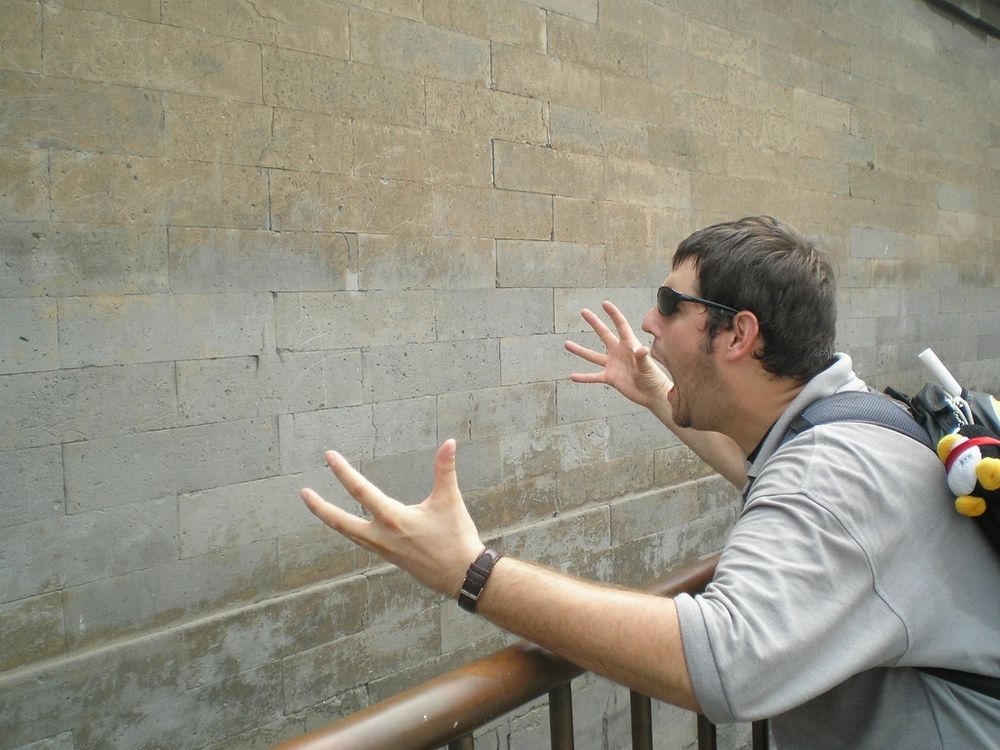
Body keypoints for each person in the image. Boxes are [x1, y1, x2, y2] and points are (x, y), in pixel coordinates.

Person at [300, 216, 1000, 748]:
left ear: (736, 336)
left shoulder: (833, 473)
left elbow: (727, 663)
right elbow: (769, 476)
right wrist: (661, 394)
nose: (647, 320)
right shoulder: (859, 422)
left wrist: (470, 571)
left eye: (670, 302)